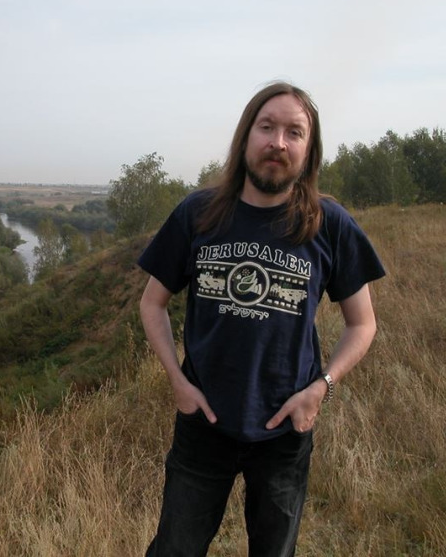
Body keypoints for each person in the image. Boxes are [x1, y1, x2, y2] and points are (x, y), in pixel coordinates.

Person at [138, 81, 386, 556]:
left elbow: (363, 323)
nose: (278, 142)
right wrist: (177, 381)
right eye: (267, 127)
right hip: (203, 422)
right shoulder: (198, 213)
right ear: (246, 136)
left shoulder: (329, 223)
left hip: (285, 429)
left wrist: (321, 388)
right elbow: (152, 303)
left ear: (308, 150)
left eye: (294, 132)